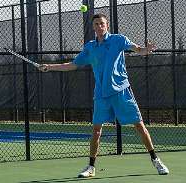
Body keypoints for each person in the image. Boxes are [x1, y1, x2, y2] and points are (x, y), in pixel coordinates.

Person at [39, 13, 169, 178]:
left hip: (122, 91)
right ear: (93, 28)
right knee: (96, 130)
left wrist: (146, 50)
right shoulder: (90, 47)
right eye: (96, 24)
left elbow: (137, 49)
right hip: (101, 94)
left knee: (139, 126)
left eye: (102, 23)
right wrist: (49, 66)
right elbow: (72, 65)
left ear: (107, 25)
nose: (99, 27)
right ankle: (91, 167)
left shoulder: (118, 40)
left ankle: (156, 160)